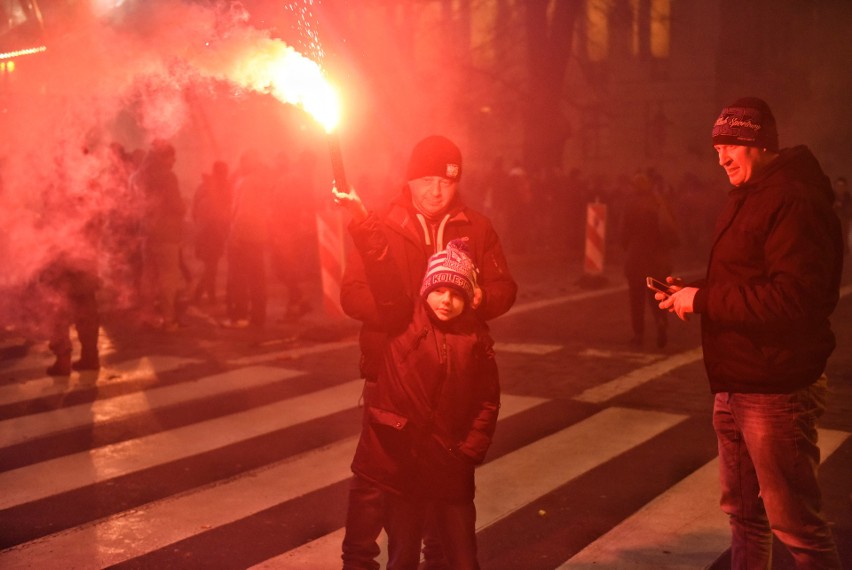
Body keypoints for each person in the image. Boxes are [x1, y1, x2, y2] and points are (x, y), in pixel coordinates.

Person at [658, 97, 843, 569]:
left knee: (796, 526)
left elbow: (794, 300)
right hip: (736, 381)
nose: (720, 158)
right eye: (716, 147)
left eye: (730, 146)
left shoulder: (794, 200)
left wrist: (701, 300)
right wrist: (694, 289)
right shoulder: (752, 193)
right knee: (745, 518)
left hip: (775, 390)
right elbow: (746, 281)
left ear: (759, 145)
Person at [338, 135, 517, 570]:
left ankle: (435, 559)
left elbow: (504, 287)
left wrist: (475, 301)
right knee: (380, 484)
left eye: (448, 182)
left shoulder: (476, 227)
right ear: (411, 179)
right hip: (391, 371)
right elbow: (353, 293)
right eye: (429, 180)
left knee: (442, 486)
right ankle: (362, 560)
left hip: (453, 378)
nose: (438, 191)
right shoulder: (382, 223)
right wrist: (399, 316)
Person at [620, 170, 679, 348]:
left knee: (636, 298)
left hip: (636, 257)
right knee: (658, 296)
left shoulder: (630, 204)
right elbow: (672, 228)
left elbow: (623, 234)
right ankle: (661, 323)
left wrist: (626, 249)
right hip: (658, 259)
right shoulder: (660, 202)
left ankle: (638, 334)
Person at [132, 140, 186, 331]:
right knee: (168, 279)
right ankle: (168, 319)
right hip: (166, 234)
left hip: (146, 233)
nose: (174, 161)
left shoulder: (139, 176)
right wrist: (183, 206)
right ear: (164, 157)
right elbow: (175, 205)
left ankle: (147, 316)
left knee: (148, 277)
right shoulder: (167, 177)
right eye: (172, 157)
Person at [191, 160, 232, 305]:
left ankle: (203, 294)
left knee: (210, 265)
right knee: (211, 265)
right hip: (213, 231)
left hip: (203, 230)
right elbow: (224, 212)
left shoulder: (202, 187)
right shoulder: (220, 188)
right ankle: (206, 296)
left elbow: (194, 210)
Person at [833, 176, 850, 255]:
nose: (840, 188)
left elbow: (849, 212)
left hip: (844, 225)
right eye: (838, 186)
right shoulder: (830, 197)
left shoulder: (848, 199)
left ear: (845, 187)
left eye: (842, 186)